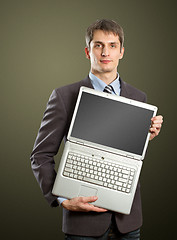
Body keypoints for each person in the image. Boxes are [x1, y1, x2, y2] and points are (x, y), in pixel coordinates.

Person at [31, 19, 163, 240]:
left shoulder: (139, 98)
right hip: (82, 225)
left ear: (122, 51)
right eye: (98, 45)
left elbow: (123, 157)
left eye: (112, 45)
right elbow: (40, 155)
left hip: (128, 223)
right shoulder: (64, 96)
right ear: (87, 51)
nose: (105, 52)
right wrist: (63, 200)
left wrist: (144, 138)